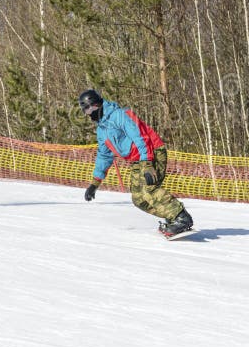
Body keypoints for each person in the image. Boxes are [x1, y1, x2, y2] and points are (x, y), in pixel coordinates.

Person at [78, 89, 193, 237]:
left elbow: (140, 137)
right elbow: (104, 155)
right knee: (139, 199)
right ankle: (173, 218)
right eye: (85, 111)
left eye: (88, 109)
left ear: (96, 105)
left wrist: (147, 162)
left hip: (152, 152)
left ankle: (181, 218)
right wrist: (95, 183)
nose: (88, 114)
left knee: (149, 188)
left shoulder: (120, 115)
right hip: (137, 160)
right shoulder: (102, 130)